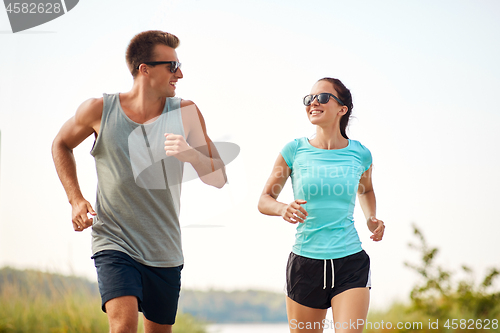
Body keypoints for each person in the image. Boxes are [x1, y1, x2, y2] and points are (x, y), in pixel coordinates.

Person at [52, 30, 226, 333]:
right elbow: (61, 144)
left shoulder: (185, 113)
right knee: (123, 326)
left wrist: (191, 156)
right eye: (172, 66)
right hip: (114, 241)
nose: (180, 73)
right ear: (144, 69)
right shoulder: (99, 110)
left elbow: (219, 177)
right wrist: (75, 198)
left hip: (164, 249)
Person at [258, 77, 385, 333]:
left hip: (350, 261)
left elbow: (366, 189)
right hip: (306, 264)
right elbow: (264, 200)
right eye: (310, 98)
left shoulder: (360, 154)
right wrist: (283, 208)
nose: (313, 102)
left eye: (323, 97)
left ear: (342, 109)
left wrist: (371, 217)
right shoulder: (294, 150)